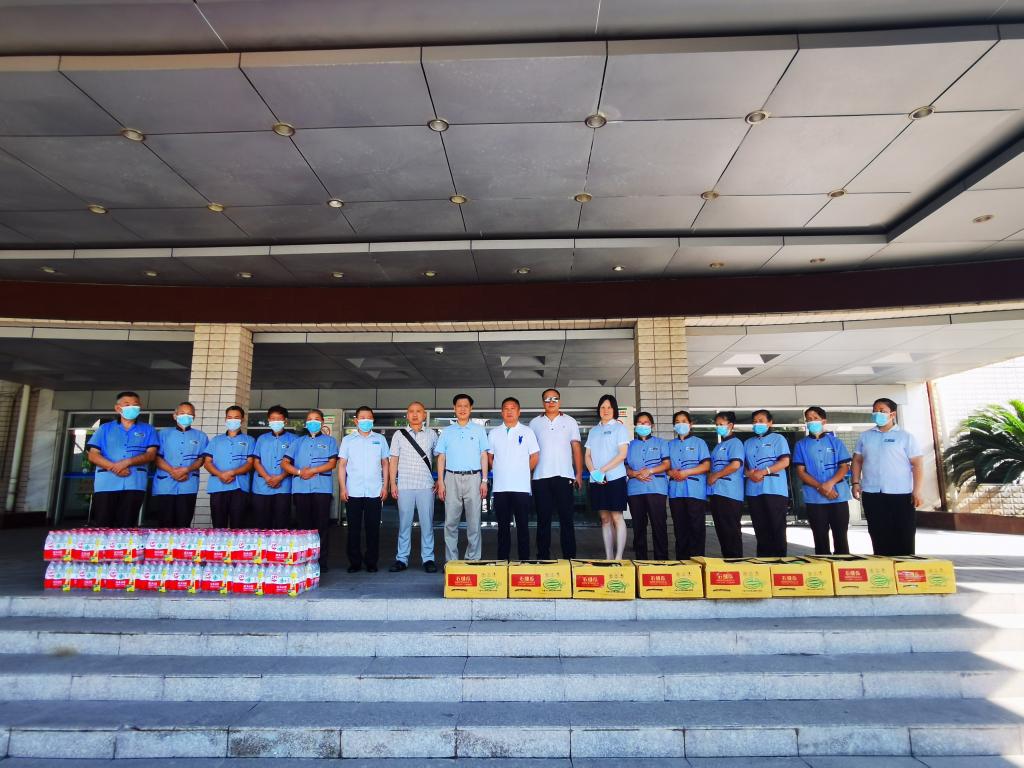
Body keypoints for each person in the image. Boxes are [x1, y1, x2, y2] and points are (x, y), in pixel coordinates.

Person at [851, 398, 924, 556]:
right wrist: (855, 482)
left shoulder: (905, 437)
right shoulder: (865, 436)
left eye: (882, 411)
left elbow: (917, 465)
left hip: (900, 494)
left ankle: (904, 566)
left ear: (892, 414)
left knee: (904, 535)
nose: (877, 414)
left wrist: (917, 491)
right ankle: (882, 567)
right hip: (872, 493)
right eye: (875, 411)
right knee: (878, 534)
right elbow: (857, 460)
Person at [86, 391, 159, 528]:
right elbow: (93, 455)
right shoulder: (105, 429)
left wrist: (127, 462)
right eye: (127, 404)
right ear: (118, 408)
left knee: (127, 525)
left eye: (135, 405)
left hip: (134, 483)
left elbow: (151, 455)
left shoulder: (148, 429)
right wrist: (114, 467)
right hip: (106, 483)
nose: (132, 407)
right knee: (103, 525)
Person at [529, 388, 583, 559]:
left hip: (564, 476)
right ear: (542, 402)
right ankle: (542, 557)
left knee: (566, 519)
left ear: (560, 401)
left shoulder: (570, 421)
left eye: (554, 399)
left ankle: (569, 557)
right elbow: (530, 452)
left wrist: (579, 473)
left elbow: (576, 448)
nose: (551, 402)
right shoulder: (534, 423)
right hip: (540, 477)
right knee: (543, 519)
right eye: (547, 399)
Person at [283, 409, 338, 572]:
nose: (313, 422)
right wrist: (300, 472)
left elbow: (332, 463)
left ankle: (321, 562)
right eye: (310, 419)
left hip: (322, 488)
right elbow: (285, 463)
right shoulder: (297, 442)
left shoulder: (330, 441)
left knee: (322, 526)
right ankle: (305, 560)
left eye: (316, 419)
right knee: (303, 526)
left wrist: (312, 471)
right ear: (306, 423)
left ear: (322, 422)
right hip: (301, 488)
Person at [435, 394, 489, 562]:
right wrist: (441, 481)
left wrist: (484, 480)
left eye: (466, 406)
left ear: (471, 409)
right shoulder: (447, 431)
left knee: (474, 523)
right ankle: (451, 561)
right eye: (459, 406)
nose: (463, 409)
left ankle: (473, 559)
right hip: (451, 478)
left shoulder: (479, 430)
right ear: (454, 408)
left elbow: (484, 455)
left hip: (474, 478)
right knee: (450, 523)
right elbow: (441, 457)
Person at [793, 406, 852, 555]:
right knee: (820, 538)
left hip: (838, 496)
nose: (811, 422)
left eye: (815, 418)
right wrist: (820, 487)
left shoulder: (836, 442)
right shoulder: (801, 445)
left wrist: (830, 484)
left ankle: (842, 565)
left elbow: (844, 467)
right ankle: (823, 565)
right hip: (815, 498)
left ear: (823, 421)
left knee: (841, 537)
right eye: (809, 419)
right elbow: (801, 472)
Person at [389, 401, 439, 573]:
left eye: (419, 411)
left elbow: (440, 458)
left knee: (427, 525)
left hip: (426, 486)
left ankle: (428, 559)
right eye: (411, 411)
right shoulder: (399, 435)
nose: (415, 414)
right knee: (404, 524)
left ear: (424, 415)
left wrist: (440, 479)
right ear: (407, 415)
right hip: (405, 486)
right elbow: (393, 460)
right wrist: (393, 483)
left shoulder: (432, 434)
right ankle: (401, 559)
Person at [488, 397, 540, 561]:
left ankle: (524, 561)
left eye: (513, 408)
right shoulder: (494, 433)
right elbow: (490, 457)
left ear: (519, 412)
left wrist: (522, 471)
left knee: (523, 527)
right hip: (500, 488)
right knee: (503, 527)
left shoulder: (527, 431)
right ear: (501, 412)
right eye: (506, 408)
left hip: (521, 488)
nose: (509, 411)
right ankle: (503, 561)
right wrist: (500, 470)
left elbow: (535, 456)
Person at [338, 406, 389, 573]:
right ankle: (354, 562)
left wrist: (385, 486)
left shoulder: (380, 439)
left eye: (369, 418)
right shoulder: (348, 440)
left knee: (373, 529)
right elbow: (342, 465)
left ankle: (371, 562)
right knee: (353, 529)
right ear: (356, 421)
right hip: (353, 491)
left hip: (374, 491)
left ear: (373, 420)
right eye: (362, 417)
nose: (366, 420)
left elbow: (385, 464)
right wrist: (342, 488)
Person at [584, 394, 630, 560]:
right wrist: (594, 472)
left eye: (609, 407)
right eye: (603, 407)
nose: (606, 410)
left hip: (615, 478)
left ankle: (618, 558)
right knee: (604, 518)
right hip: (597, 479)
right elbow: (587, 455)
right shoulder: (593, 431)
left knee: (616, 516)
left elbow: (622, 454)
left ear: (614, 409)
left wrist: (602, 470)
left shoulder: (620, 428)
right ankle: (609, 557)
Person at [151, 402, 208, 528]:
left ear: (194, 416)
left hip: (188, 485)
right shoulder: (163, 434)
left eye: (189, 414)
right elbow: (156, 457)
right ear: (175, 415)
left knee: (184, 524)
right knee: (164, 524)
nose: (186, 416)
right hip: (165, 485)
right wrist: (173, 471)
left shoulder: (201, 436)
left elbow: (201, 459)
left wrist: (187, 469)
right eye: (182, 413)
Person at [744, 409, 791, 557]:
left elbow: (785, 461)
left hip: (775, 490)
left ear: (770, 423)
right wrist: (748, 473)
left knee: (776, 527)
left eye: (761, 421)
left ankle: (779, 561)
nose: (757, 424)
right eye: (755, 421)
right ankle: (763, 561)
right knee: (760, 528)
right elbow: (743, 466)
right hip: (754, 490)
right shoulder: (747, 443)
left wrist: (764, 471)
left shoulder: (778, 439)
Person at [625, 411, 671, 560]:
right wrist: (633, 473)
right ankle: (641, 560)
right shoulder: (630, 445)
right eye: (639, 423)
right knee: (638, 527)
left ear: (652, 426)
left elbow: (666, 464)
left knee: (659, 525)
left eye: (646, 423)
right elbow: (625, 467)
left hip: (656, 489)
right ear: (635, 426)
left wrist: (649, 471)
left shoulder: (661, 443)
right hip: (635, 490)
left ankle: (661, 560)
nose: (642, 425)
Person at [202, 405, 256, 529]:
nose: (233, 420)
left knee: (238, 525)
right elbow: (207, 462)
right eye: (229, 417)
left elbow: (250, 463)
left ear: (242, 419)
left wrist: (232, 472)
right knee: (218, 525)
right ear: (225, 419)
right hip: (217, 486)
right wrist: (220, 474)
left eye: (236, 417)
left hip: (239, 487)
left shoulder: (250, 440)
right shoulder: (216, 440)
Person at [667, 410, 711, 559]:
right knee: (680, 528)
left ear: (690, 424)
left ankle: (698, 562)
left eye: (684, 421)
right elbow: (666, 467)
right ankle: (682, 562)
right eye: (677, 422)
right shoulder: (670, 445)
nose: (681, 424)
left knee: (696, 528)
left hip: (695, 491)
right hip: (676, 492)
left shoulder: (699, 442)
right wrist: (671, 473)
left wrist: (686, 472)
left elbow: (706, 465)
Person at [251, 405, 300, 529]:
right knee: (261, 523)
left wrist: (280, 477)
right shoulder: (262, 439)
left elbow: (295, 463)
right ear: (268, 420)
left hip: (284, 487)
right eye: (273, 419)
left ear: (285, 421)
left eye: (279, 419)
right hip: (262, 486)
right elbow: (256, 462)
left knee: (281, 523)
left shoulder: (294, 439)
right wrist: (268, 478)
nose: (275, 422)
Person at [707, 411, 746, 558]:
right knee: (722, 531)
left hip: (729, 493)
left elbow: (735, 465)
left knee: (731, 531)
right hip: (717, 492)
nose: (718, 427)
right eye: (717, 425)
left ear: (730, 425)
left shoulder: (735, 443)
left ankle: (735, 561)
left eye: (721, 424)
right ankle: (728, 560)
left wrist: (715, 475)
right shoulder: (720, 445)